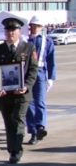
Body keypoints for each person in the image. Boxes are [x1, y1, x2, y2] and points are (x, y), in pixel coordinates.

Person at [0, 17, 38, 164]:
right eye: (8, 30)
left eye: (13, 30)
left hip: (22, 94)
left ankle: (16, 151)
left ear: (19, 32)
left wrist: (27, 86)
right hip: (5, 94)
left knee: (17, 119)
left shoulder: (29, 48)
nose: (10, 33)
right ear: (4, 33)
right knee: (8, 122)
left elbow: (33, 70)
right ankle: (12, 149)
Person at [25, 16, 55, 145]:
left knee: (40, 101)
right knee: (29, 103)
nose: (35, 28)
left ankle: (40, 126)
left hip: (40, 72)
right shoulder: (24, 40)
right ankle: (33, 132)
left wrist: (51, 78)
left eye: (38, 26)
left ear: (41, 27)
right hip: (26, 74)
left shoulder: (47, 41)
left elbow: (51, 60)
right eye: (33, 25)